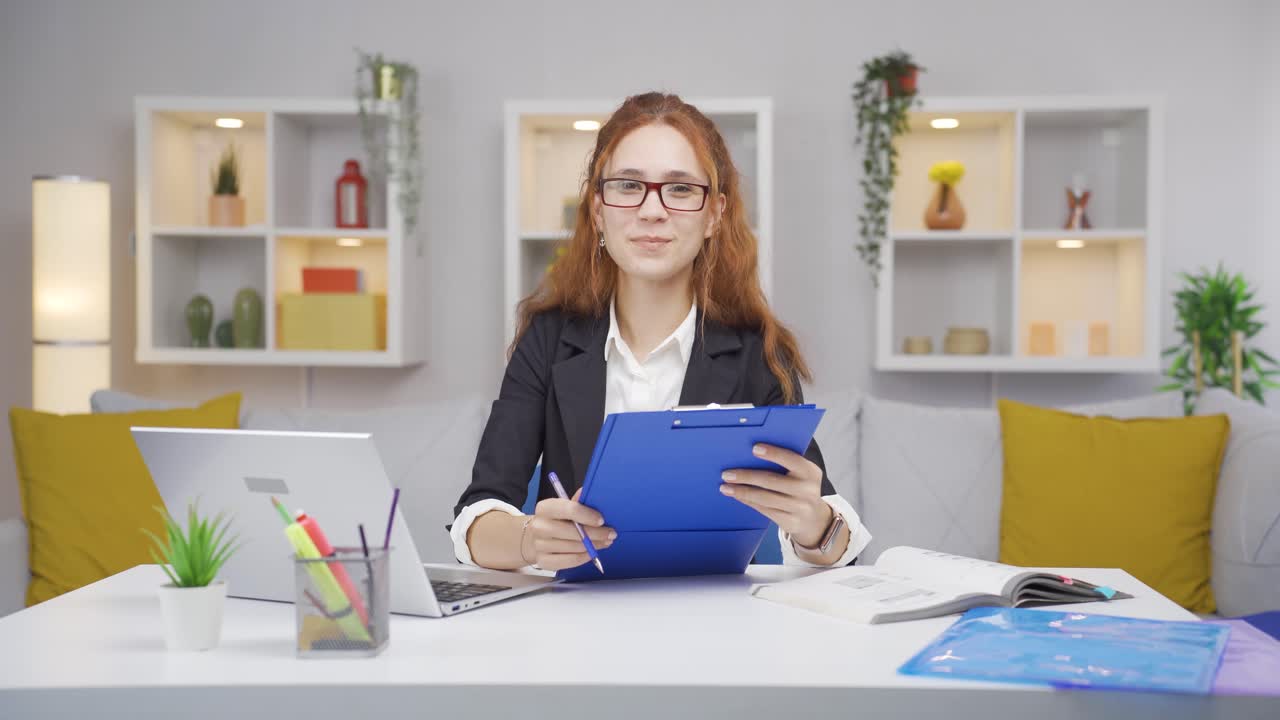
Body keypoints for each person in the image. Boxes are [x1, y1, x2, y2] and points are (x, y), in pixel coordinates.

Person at [451, 92, 871, 572]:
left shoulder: (756, 351)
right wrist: (528, 540)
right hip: (577, 626)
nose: (652, 211)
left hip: (714, 625)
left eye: (680, 189)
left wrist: (815, 523)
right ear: (596, 209)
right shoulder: (547, 339)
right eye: (629, 186)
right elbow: (476, 518)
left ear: (714, 214)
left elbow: (839, 540)